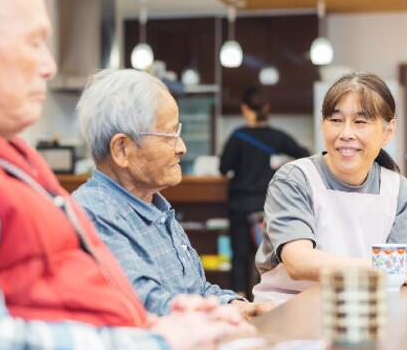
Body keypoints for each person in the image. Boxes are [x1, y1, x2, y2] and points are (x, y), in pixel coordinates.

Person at [0, 0, 252, 350]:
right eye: (34, 43)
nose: (49, 66)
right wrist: (161, 344)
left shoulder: (11, 159)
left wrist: (160, 326)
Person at [72, 69, 270, 318]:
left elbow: (197, 291)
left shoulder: (156, 207)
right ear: (122, 149)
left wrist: (236, 305)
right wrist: (223, 316)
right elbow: (148, 305)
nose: (182, 147)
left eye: (178, 133)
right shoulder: (94, 214)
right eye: (168, 136)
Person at [252, 73, 407, 303]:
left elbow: (406, 275)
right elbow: (298, 262)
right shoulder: (295, 179)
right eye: (335, 120)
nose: (345, 134)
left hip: (366, 313)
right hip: (289, 309)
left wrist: (396, 272)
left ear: (389, 132)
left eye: (360, 122)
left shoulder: (397, 190)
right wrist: (384, 268)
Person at [220, 87, 309, 294]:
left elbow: (224, 167)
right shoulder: (277, 137)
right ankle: (269, 296)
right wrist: (281, 165)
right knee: (270, 256)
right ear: (266, 108)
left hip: (240, 205)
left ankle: (239, 299)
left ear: (245, 109)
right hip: (268, 206)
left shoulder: (238, 136)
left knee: (239, 255)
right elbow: (304, 154)